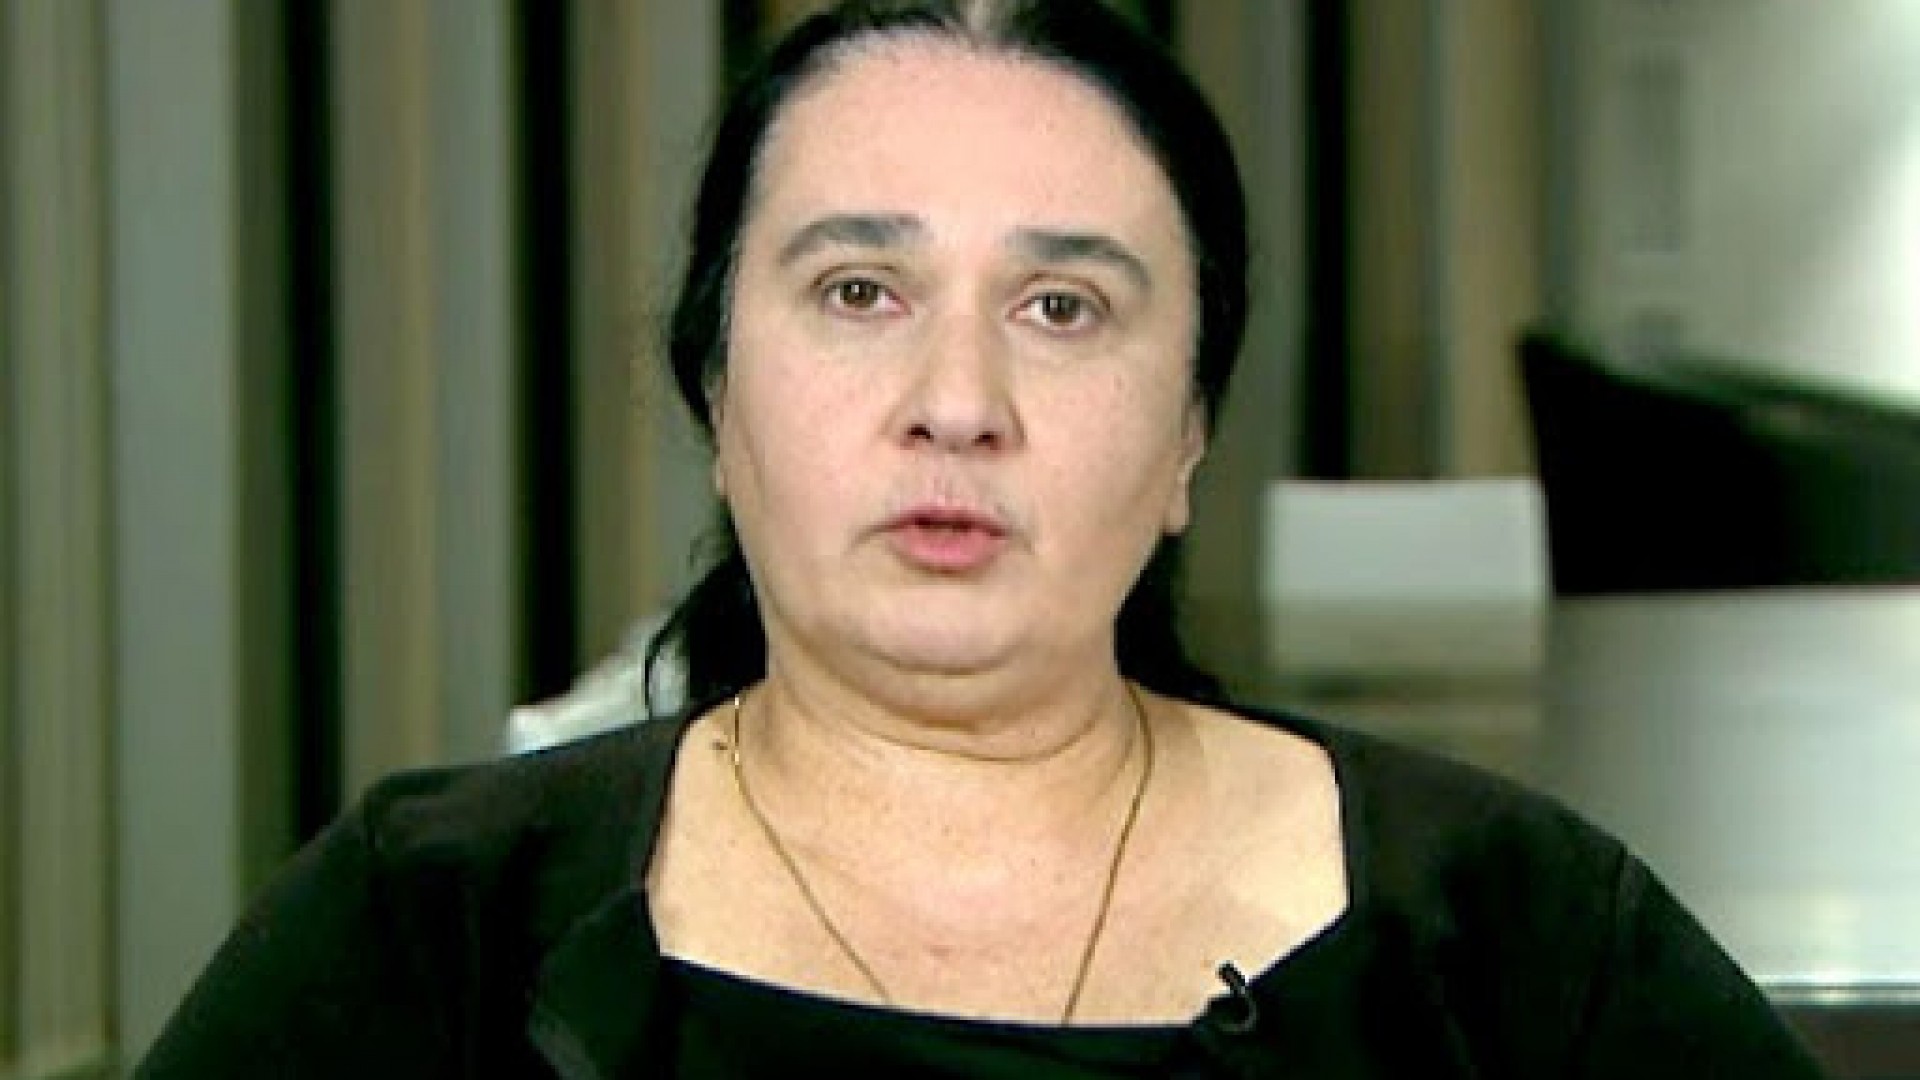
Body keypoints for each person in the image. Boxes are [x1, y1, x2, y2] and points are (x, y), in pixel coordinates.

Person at [137, 1, 1830, 1076]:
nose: (958, 402)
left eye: (1062, 307)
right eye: (858, 292)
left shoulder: (1521, 939)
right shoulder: (429, 931)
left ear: (1188, 437)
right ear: (718, 394)